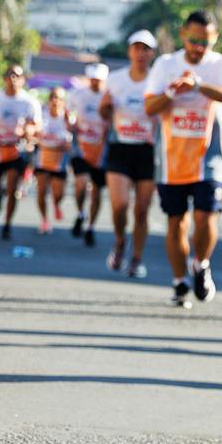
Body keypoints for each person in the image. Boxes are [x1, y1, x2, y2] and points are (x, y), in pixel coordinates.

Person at [144, 12, 222, 307]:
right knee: (176, 223)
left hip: (210, 156)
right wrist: (173, 90)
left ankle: (201, 264)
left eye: (205, 42)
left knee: (206, 216)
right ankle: (179, 282)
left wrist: (198, 86)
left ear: (215, 39)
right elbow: (150, 106)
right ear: (183, 33)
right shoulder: (166, 65)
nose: (198, 47)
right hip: (172, 159)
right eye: (193, 40)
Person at [100, 29, 159, 277]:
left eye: (145, 48)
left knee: (142, 209)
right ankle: (120, 241)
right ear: (129, 51)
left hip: (147, 150)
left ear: (152, 53)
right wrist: (105, 108)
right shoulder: (115, 79)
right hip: (120, 148)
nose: (140, 53)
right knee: (120, 204)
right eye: (136, 47)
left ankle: (136, 258)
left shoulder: (158, 79)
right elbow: (104, 114)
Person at [0, 65, 41, 239]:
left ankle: (7, 224)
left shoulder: (29, 102)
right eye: (10, 75)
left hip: (18, 148)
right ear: (4, 78)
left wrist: (27, 131)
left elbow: (36, 125)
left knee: (12, 186)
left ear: (23, 80)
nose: (13, 79)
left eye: (17, 75)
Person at [67, 63, 109, 245]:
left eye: (99, 81)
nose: (95, 84)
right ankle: (80, 213)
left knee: (97, 191)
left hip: (102, 150)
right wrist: (70, 123)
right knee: (81, 185)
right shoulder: (78, 95)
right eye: (93, 80)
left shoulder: (110, 97)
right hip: (81, 147)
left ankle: (91, 226)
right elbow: (68, 112)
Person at [36, 85, 73, 234]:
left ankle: (57, 204)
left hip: (60, 161)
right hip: (42, 159)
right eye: (54, 97)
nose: (56, 101)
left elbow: (69, 144)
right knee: (41, 192)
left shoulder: (68, 118)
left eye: (60, 98)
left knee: (58, 194)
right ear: (49, 99)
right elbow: (35, 134)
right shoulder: (42, 115)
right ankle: (45, 220)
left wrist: (64, 144)